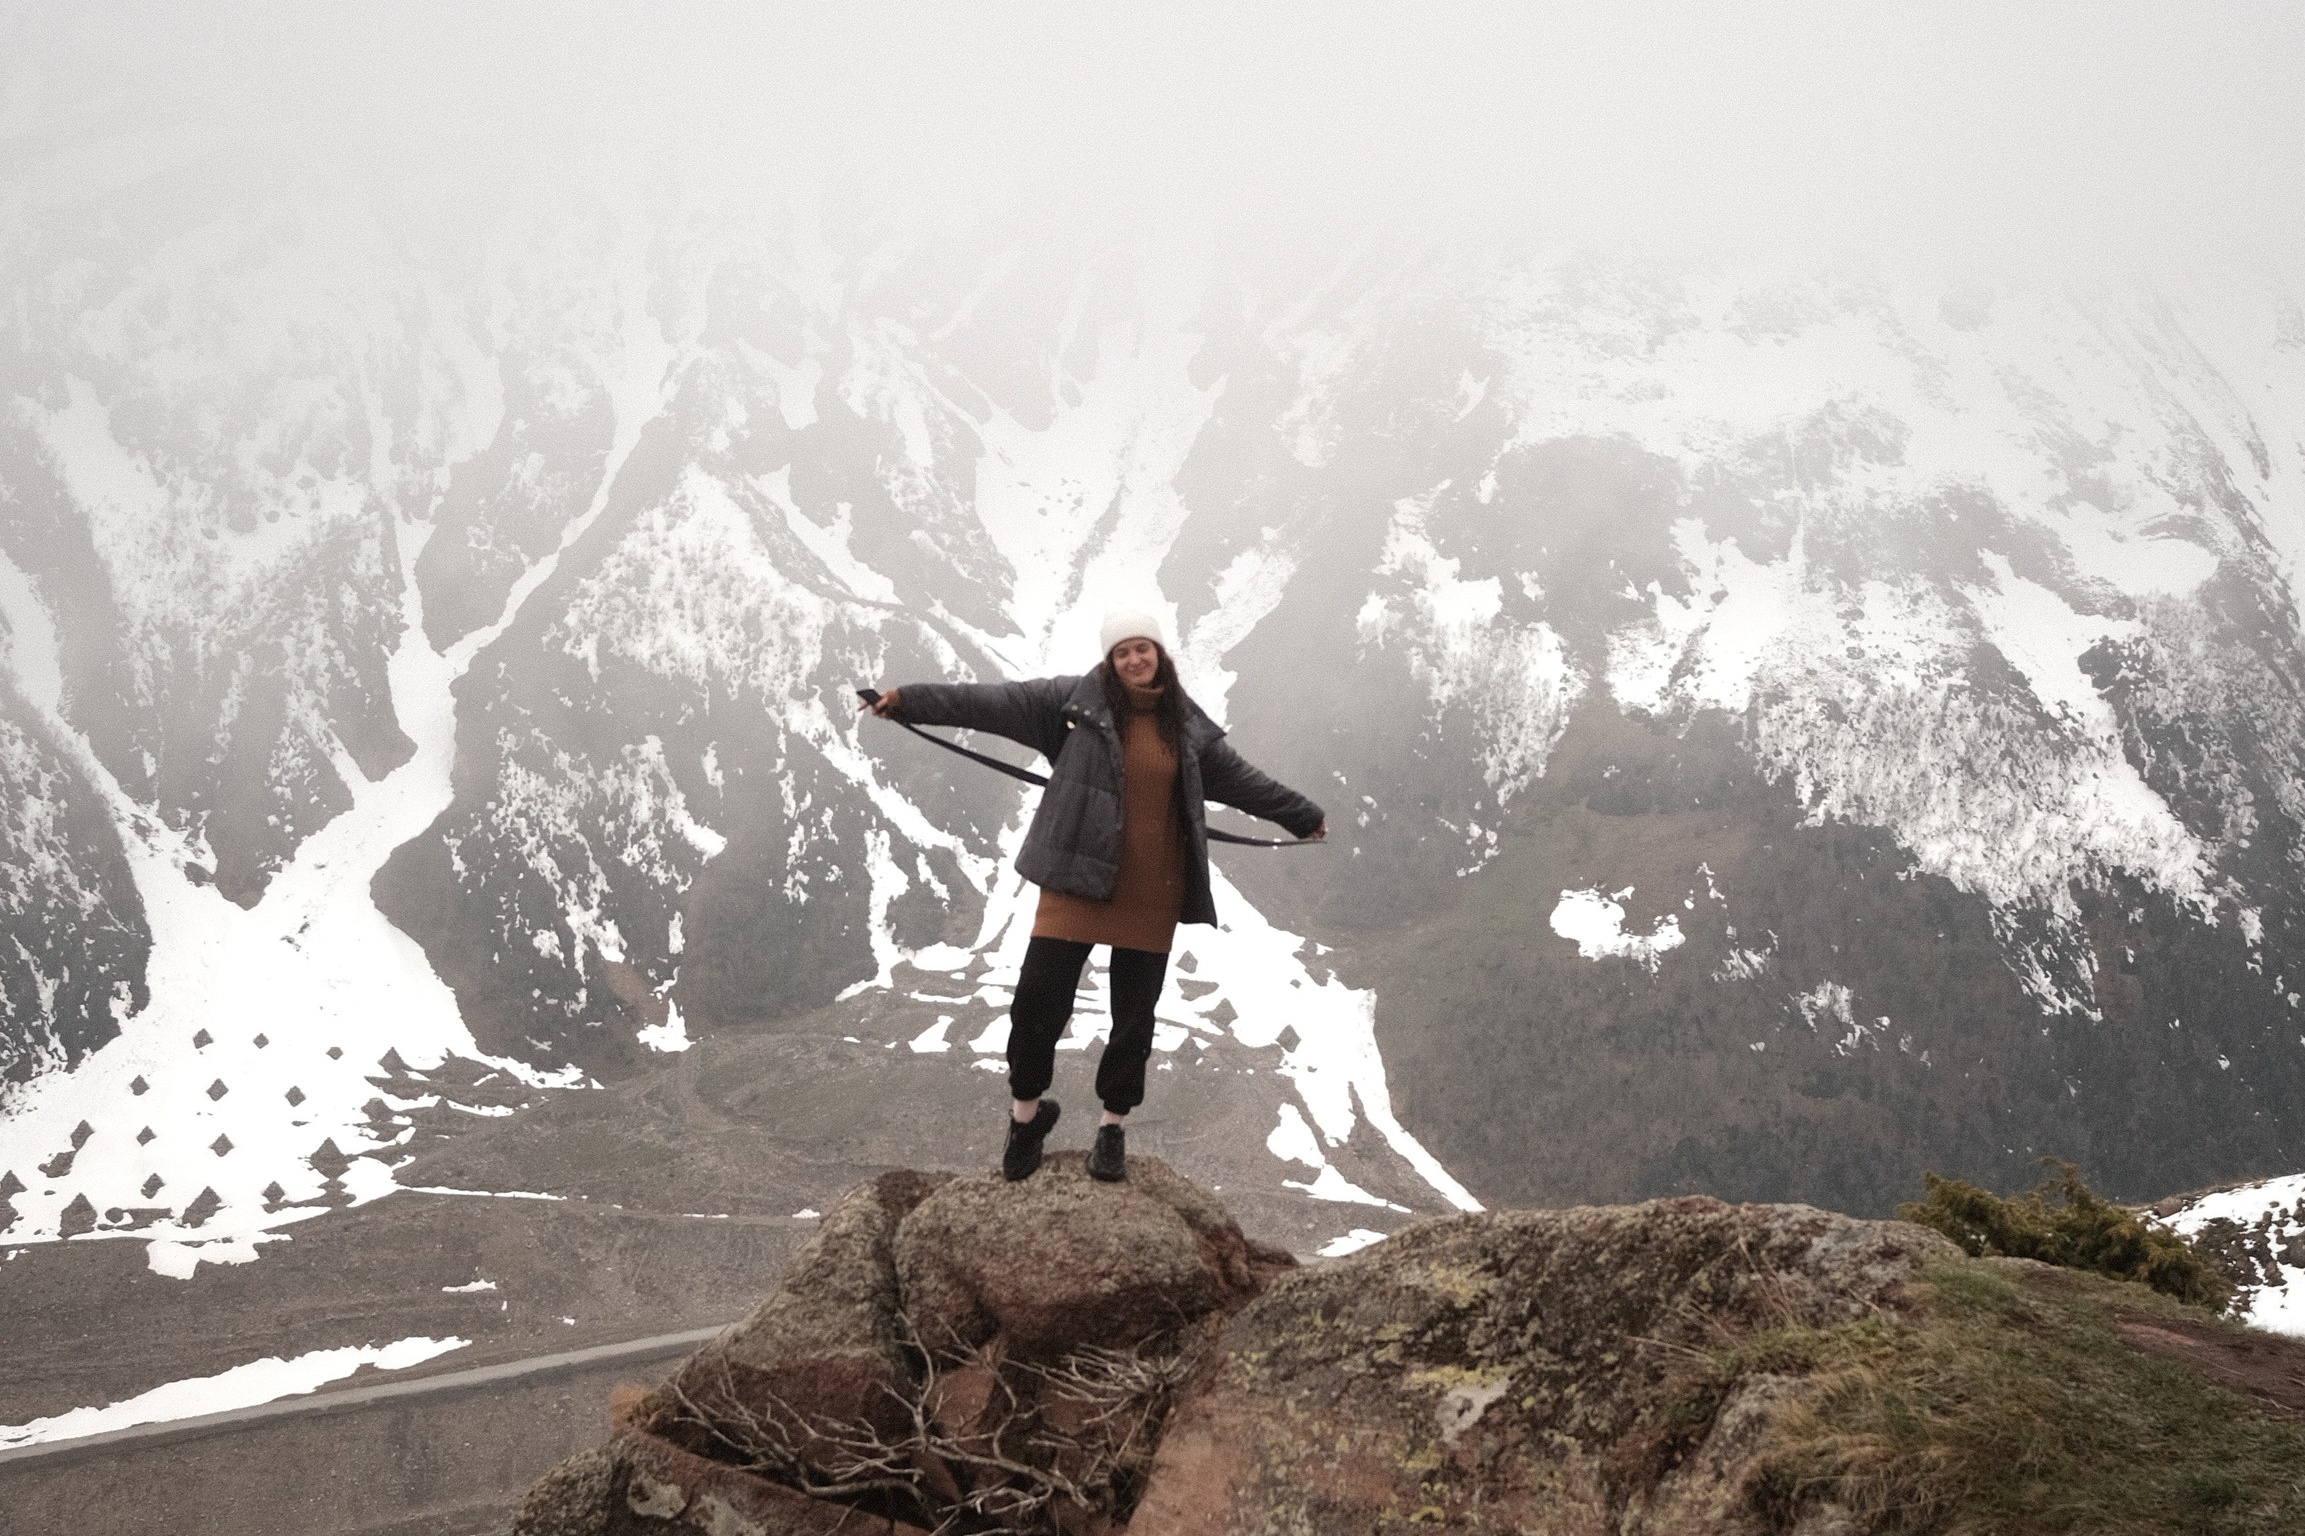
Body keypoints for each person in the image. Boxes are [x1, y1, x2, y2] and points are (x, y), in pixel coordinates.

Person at [861, 609, 1326, 1183]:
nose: (1134, 660)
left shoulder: (1186, 727)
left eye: (1143, 649)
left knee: (1133, 1020)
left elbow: (1244, 781)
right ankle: (1025, 1119)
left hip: (1151, 891)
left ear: (1160, 654)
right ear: (1109, 659)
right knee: (1036, 1006)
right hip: (1076, 879)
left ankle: (1112, 1130)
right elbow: (985, 704)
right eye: (1122, 652)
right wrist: (906, 701)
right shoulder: (1069, 705)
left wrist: (1301, 816)